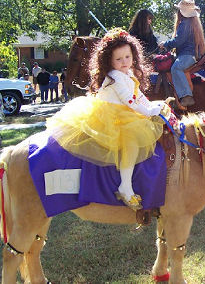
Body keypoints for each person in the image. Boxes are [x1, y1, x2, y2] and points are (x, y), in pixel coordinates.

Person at [46, 28, 170, 210]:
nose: (124, 62)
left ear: (133, 55)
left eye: (127, 57)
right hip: (111, 115)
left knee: (143, 127)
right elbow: (131, 102)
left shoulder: (128, 73)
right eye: (118, 59)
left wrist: (154, 104)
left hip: (122, 111)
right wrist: (149, 110)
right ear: (109, 61)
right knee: (132, 142)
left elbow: (138, 95)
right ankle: (125, 186)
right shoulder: (115, 77)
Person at [159, 0, 205, 107]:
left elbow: (179, 40)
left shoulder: (185, 23)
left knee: (176, 68)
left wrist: (165, 44)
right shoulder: (192, 22)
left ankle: (186, 96)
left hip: (187, 55)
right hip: (192, 54)